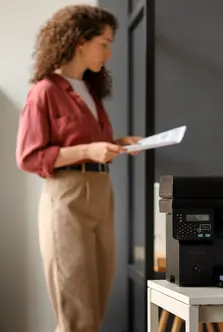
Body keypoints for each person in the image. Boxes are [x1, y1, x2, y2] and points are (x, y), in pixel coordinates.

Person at [16, 5, 140, 332]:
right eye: (104, 42)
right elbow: (29, 156)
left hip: (101, 195)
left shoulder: (90, 91)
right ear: (80, 41)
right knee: (76, 315)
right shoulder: (45, 91)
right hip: (67, 199)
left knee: (95, 308)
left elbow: (84, 144)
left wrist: (116, 142)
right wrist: (88, 149)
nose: (109, 53)